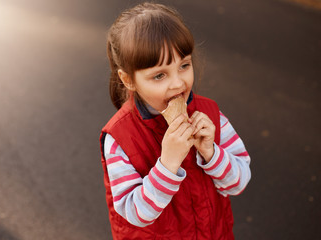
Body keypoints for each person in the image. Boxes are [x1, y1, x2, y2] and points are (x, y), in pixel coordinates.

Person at [99, 2, 251, 239]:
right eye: (159, 75)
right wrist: (168, 164)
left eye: (184, 65)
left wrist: (211, 153)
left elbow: (238, 183)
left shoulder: (210, 115)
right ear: (128, 80)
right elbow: (135, 213)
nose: (178, 83)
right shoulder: (120, 139)